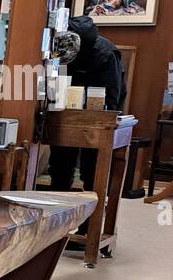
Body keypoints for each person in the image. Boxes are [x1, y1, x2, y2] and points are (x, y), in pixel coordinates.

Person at [48, 15, 126, 196]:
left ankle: (91, 215)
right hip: (67, 109)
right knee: (61, 162)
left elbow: (113, 92)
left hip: (98, 111)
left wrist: (107, 118)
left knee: (93, 165)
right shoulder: (64, 43)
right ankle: (59, 203)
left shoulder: (105, 52)